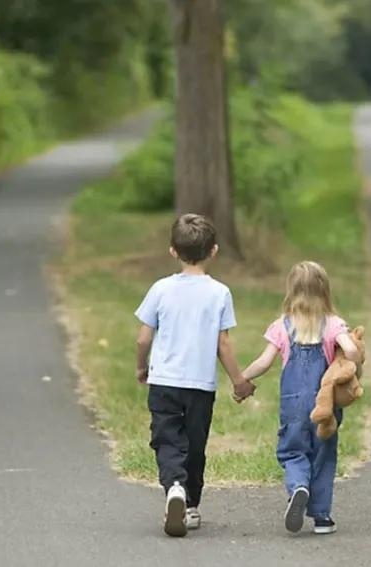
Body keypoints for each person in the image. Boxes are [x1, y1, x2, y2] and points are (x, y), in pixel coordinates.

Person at [134, 213, 256, 538]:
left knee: (167, 439)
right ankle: (189, 505)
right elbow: (223, 344)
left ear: (172, 251)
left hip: (164, 383)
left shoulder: (160, 289)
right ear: (214, 251)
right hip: (200, 386)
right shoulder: (220, 293)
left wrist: (141, 366)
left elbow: (143, 337)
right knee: (195, 444)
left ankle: (174, 487)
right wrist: (239, 380)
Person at [241, 261, 361, 535]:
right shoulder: (332, 324)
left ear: (290, 292)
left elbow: (264, 362)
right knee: (323, 455)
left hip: (293, 403)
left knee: (293, 450)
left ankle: (298, 487)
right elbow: (351, 350)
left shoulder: (282, 326)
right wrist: (348, 363)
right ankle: (321, 518)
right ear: (324, 292)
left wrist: (243, 379)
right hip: (325, 403)